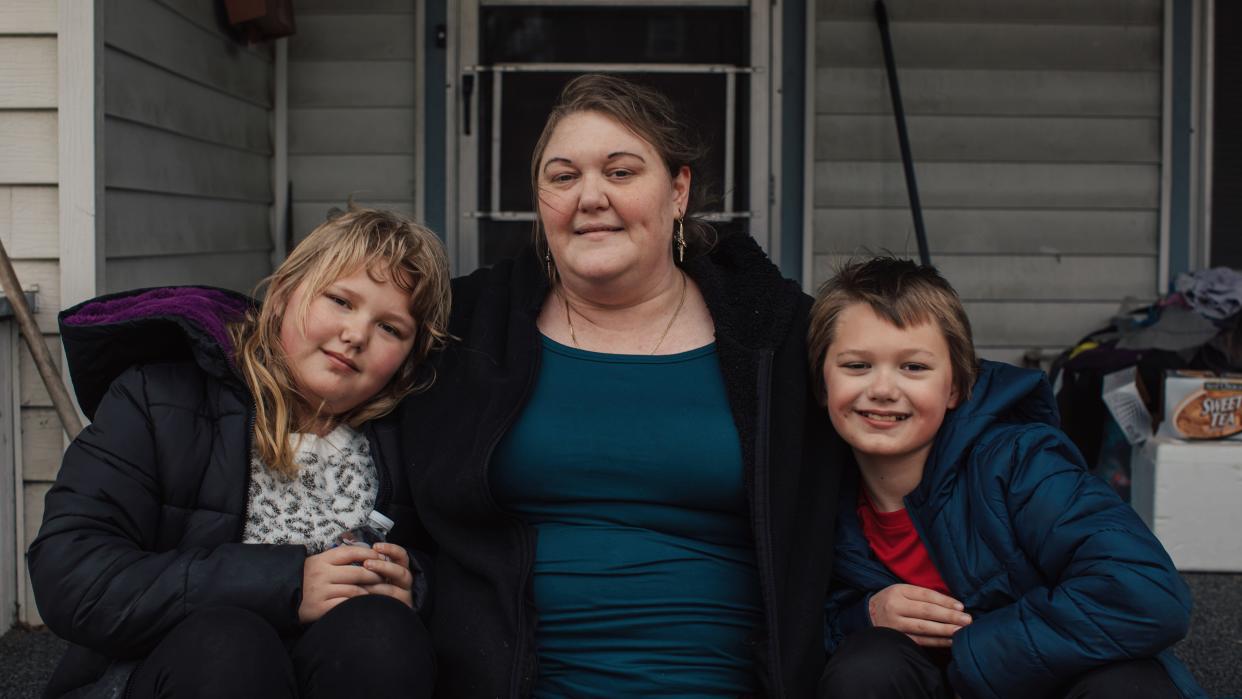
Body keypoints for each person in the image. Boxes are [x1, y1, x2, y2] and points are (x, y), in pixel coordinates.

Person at [400, 74, 842, 697]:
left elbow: (914, 421)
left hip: (717, 682)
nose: (590, 197)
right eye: (562, 177)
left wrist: (877, 598)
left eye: (622, 172)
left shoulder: (775, 333)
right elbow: (327, 356)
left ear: (679, 190)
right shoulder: (471, 326)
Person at [28, 208, 450, 699]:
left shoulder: (412, 434)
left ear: (408, 358)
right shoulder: (160, 397)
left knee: (383, 633)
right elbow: (72, 574)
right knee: (231, 645)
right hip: (175, 672)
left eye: (390, 328)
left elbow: (477, 560)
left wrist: (413, 584)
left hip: (334, 665)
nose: (355, 335)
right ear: (285, 295)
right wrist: (286, 584)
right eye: (340, 300)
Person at [812, 257, 1207, 699]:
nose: (883, 389)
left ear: (956, 387)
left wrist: (976, 653)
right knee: (865, 668)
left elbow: (1147, 594)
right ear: (823, 384)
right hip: (920, 680)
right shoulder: (812, 486)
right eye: (857, 366)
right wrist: (863, 615)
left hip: (1050, 683)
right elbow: (788, 619)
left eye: (914, 367)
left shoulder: (1020, 461)